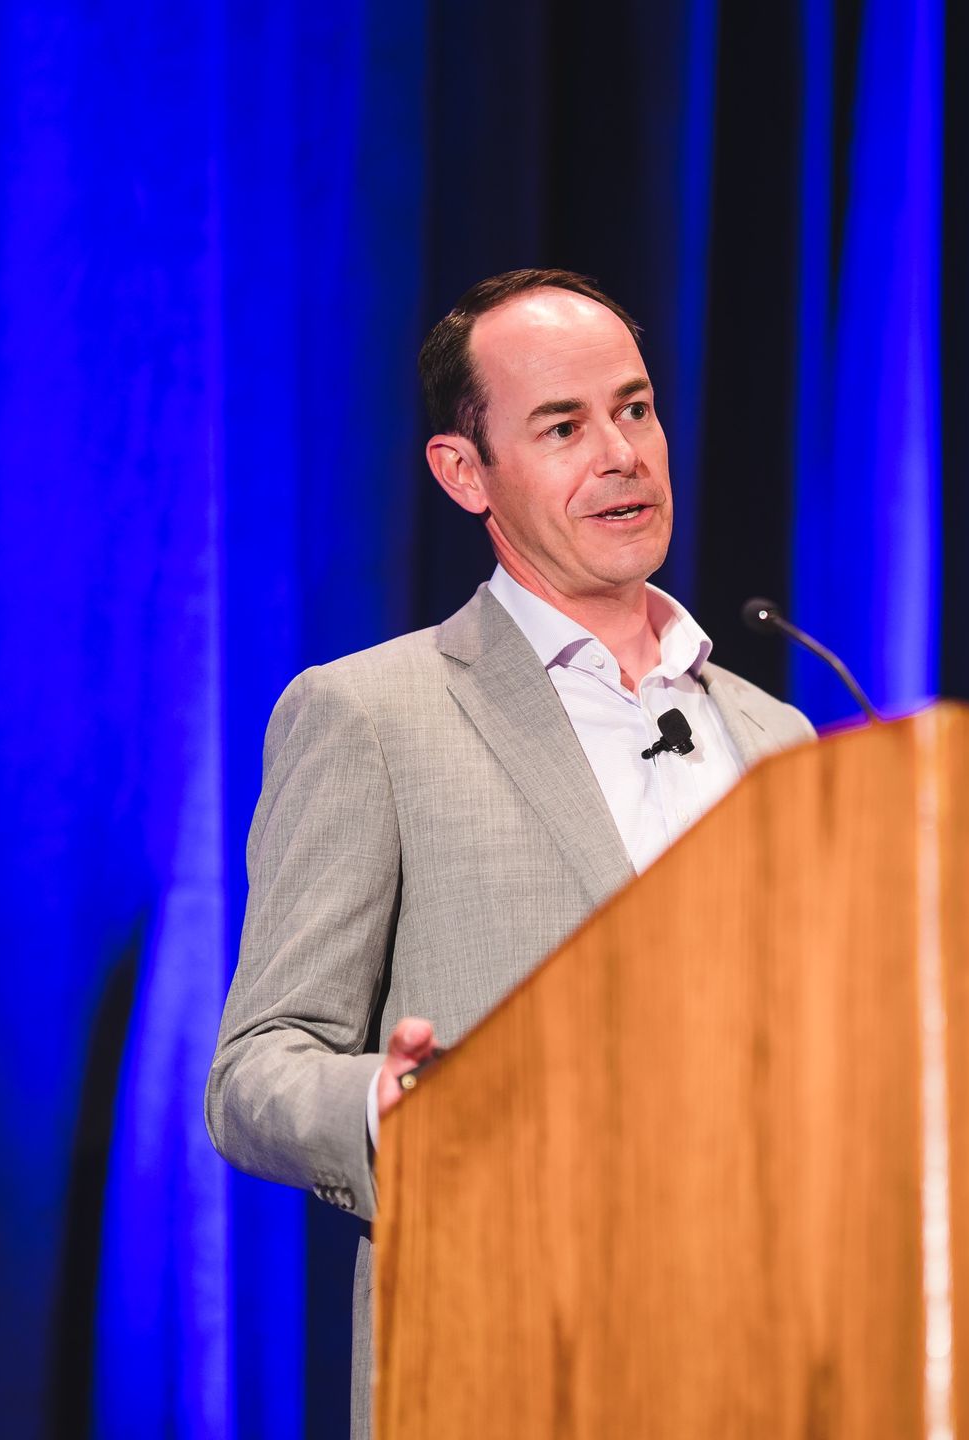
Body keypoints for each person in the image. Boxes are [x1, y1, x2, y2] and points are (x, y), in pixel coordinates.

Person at [205, 268, 815, 1435]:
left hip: (775, 1358)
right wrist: (393, 1105)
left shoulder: (776, 735)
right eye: (563, 427)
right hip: (508, 1360)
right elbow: (254, 1074)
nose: (621, 455)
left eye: (634, 409)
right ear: (464, 472)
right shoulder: (372, 715)